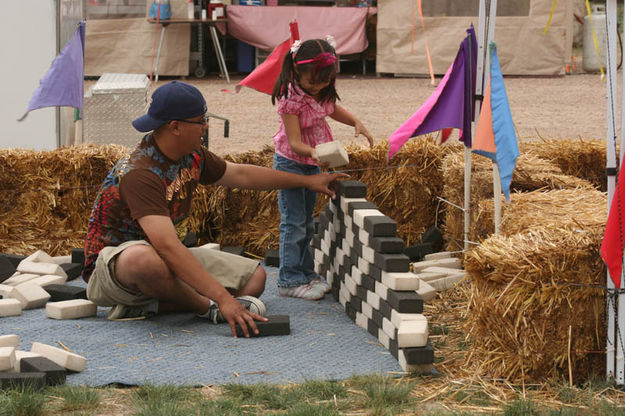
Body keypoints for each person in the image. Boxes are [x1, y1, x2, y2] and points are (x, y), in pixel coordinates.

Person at [83, 81, 347, 337]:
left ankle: (150, 306)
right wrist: (221, 299)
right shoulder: (140, 173)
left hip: (162, 258)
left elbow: (242, 175)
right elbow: (166, 247)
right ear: (175, 126)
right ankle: (204, 306)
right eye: (200, 121)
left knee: (254, 279)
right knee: (143, 260)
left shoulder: (192, 154)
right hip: (114, 270)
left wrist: (308, 181)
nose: (206, 126)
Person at [271, 37, 374, 300]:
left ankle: (305, 272)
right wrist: (313, 152)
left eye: (325, 81)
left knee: (306, 222)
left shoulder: (322, 89)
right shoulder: (290, 98)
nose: (319, 87)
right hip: (292, 162)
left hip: (313, 161)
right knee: (293, 223)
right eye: (313, 82)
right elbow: (294, 142)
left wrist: (355, 122)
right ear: (297, 72)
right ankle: (288, 279)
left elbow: (332, 109)